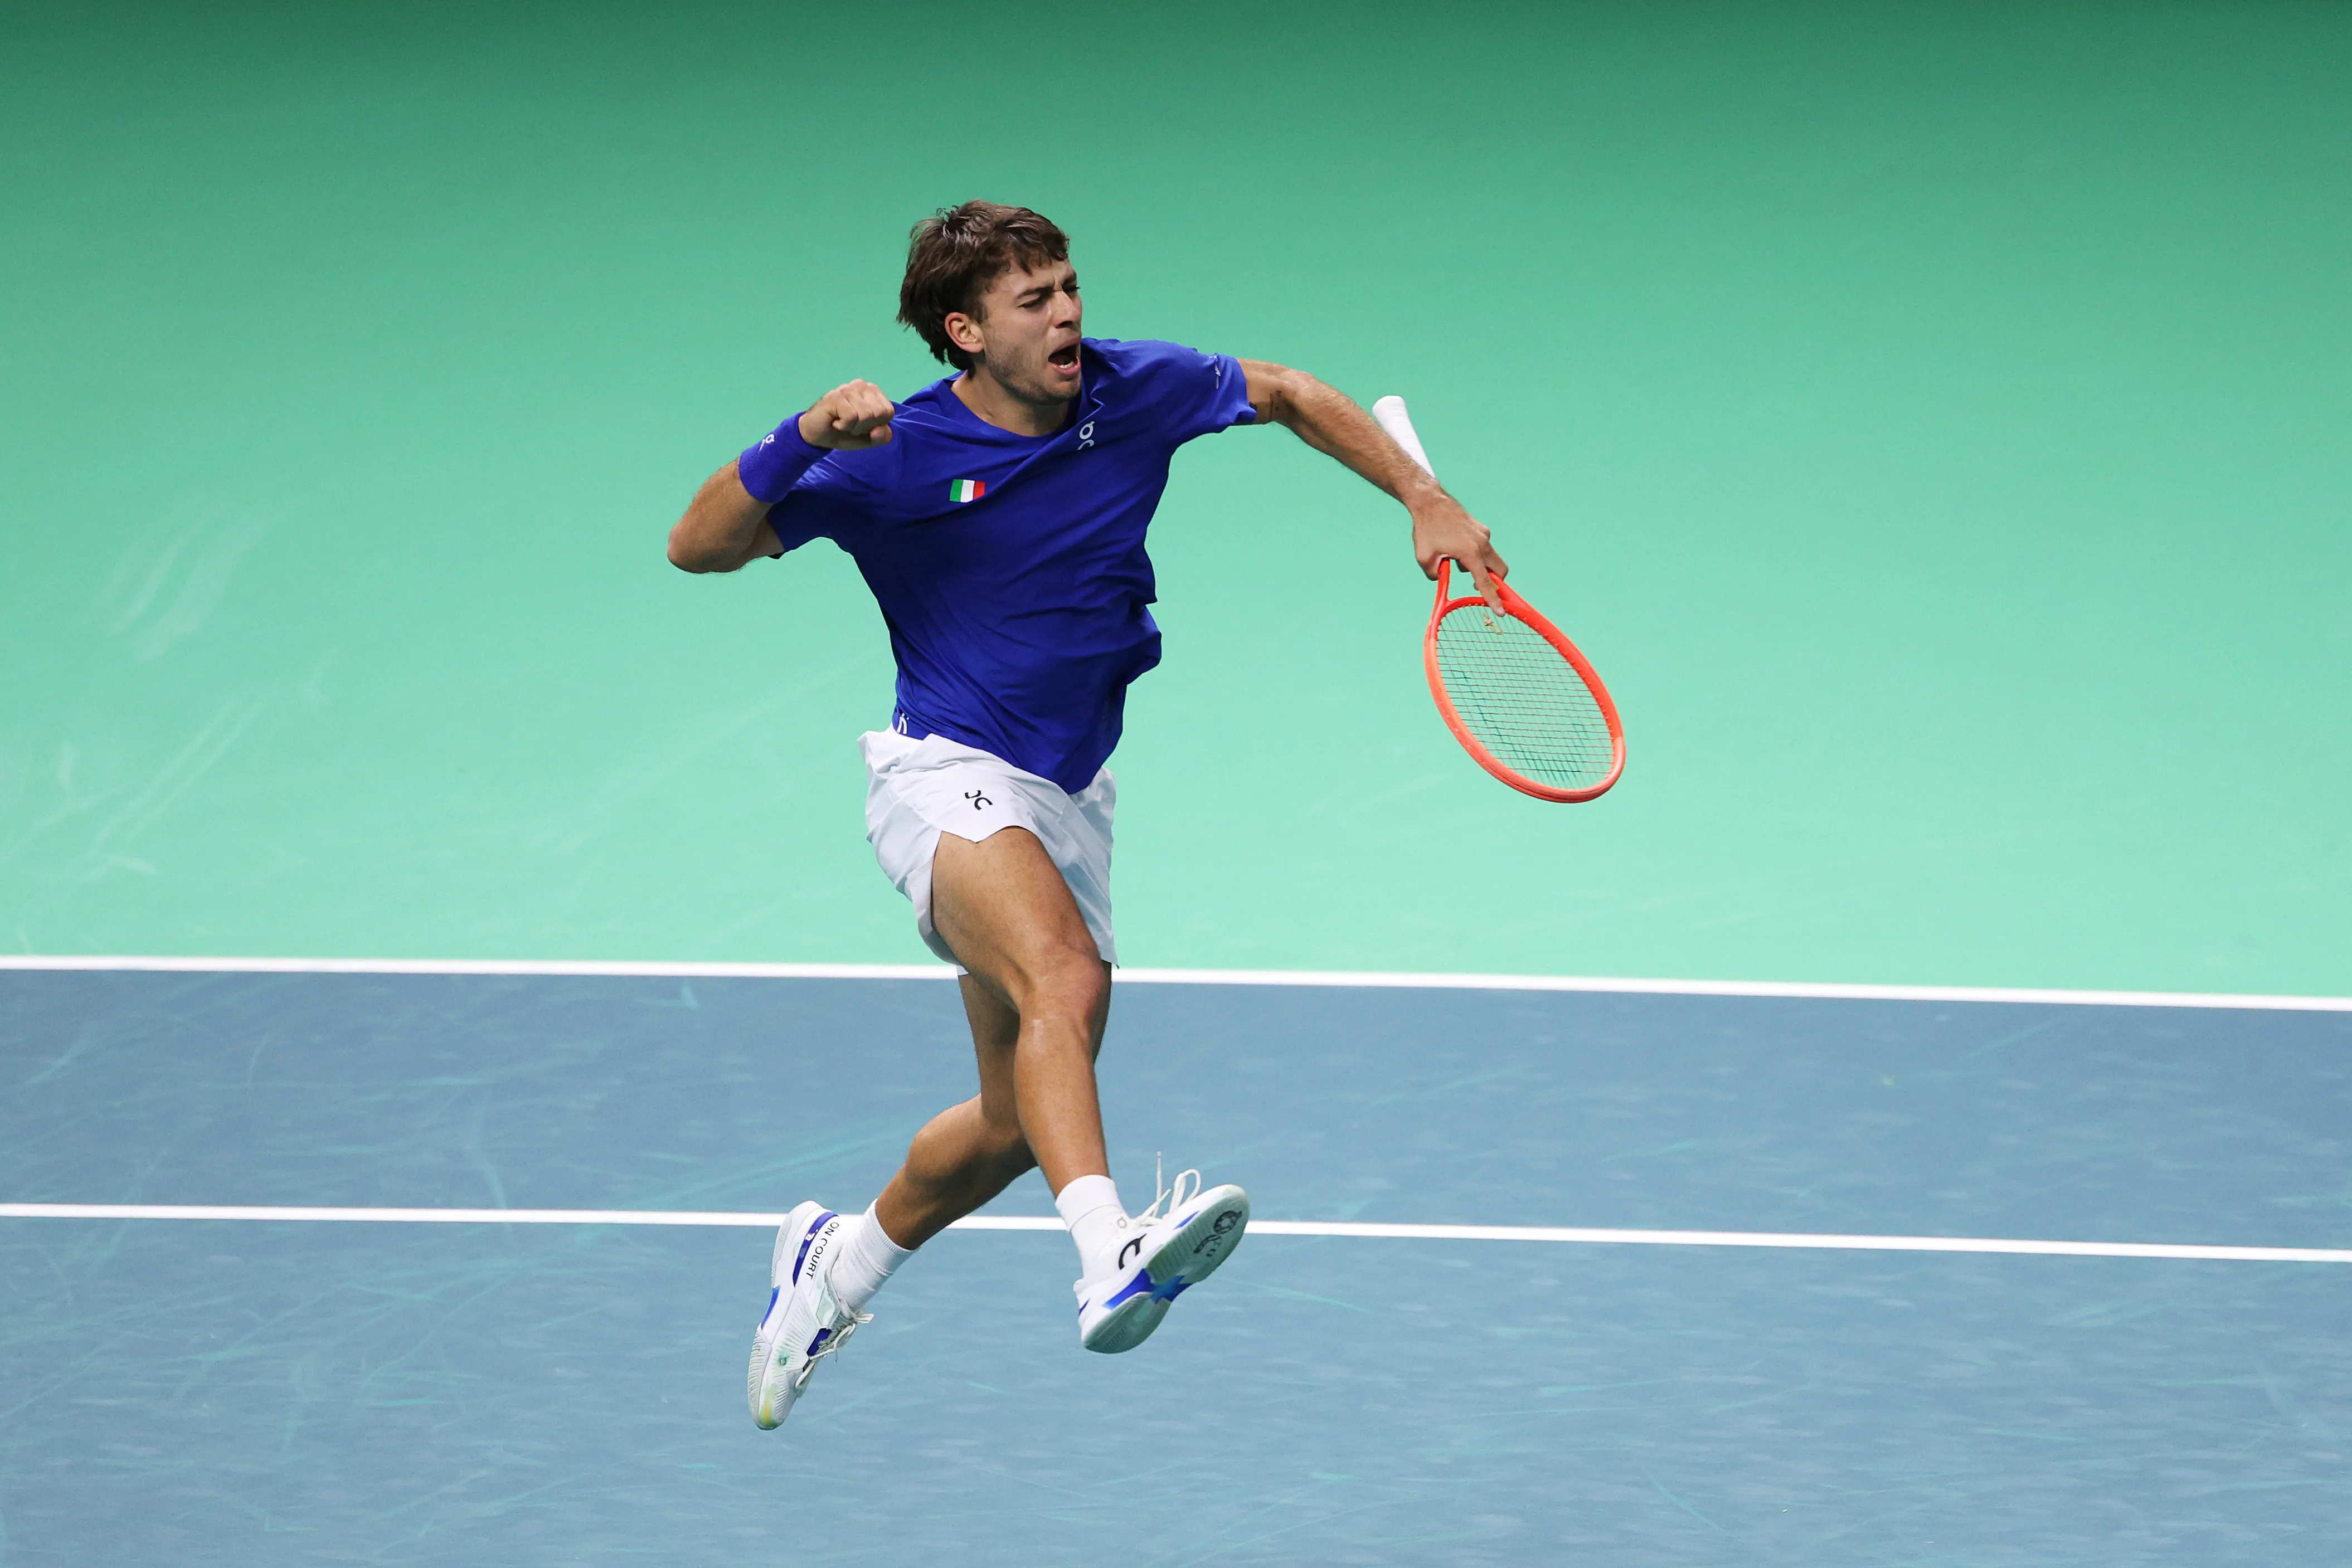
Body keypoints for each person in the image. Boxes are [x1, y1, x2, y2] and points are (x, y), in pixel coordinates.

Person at [667, 201, 1508, 1430]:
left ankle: (830, 1272)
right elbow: (699, 549)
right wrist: (800, 436)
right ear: (963, 331)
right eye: (1032, 300)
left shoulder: (1132, 390)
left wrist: (1424, 500)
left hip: (1067, 791)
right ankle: (1108, 1255)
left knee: (1014, 1121)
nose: (1067, 312)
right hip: (942, 772)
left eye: (1067, 286)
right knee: (1058, 978)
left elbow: (1282, 390)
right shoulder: (893, 455)